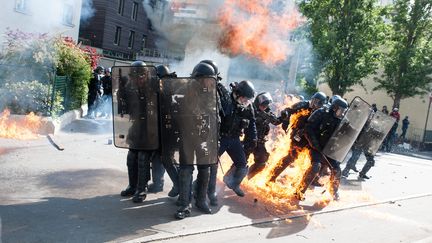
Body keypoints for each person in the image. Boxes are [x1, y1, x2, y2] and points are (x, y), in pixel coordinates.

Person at [175, 62, 218, 219]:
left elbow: (216, 114)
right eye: (207, 79)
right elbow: (174, 109)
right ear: (199, 78)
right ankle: (184, 204)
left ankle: (201, 200)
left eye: (211, 79)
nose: (209, 82)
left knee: (205, 169)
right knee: (186, 170)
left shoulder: (212, 93)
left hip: (205, 136)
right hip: (187, 135)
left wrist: (214, 134)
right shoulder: (184, 90)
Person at [118, 61, 158, 203]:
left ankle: (142, 189)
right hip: (136, 126)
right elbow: (124, 109)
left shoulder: (155, 85)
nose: (137, 80)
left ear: (146, 75)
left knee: (143, 158)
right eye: (134, 77)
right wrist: (120, 91)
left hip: (151, 127)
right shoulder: (130, 87)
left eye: (139, 77)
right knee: (131, 157)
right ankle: (132, 185)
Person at [267, 91, 327, 183]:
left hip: (310, 139)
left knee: (314, 163)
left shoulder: (322, 112)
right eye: (314, 101)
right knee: (290, 157)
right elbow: (287, 110)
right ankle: (272, 177)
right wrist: (286, 120)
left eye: (318, 102)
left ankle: (303, 185)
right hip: (297, 136)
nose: (315, 104)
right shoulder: (303, 105)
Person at [212, 79, 257, 200]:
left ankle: (233, 183)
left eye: (247, 99)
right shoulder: (225, 100)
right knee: (210, 165)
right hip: (221, 138)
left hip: (234, 139)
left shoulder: (247, 106)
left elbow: (252, 122)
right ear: (237, 94)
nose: (245, 102)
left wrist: (253, 138)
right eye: (244, 98)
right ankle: (197, 189)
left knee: (242, 165)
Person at [300, 96, 349, 201]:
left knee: (336, 170)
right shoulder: (321, 113)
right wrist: (315, 144)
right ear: (335, 108)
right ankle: (300, 190)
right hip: (315, 147)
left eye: (344, 111)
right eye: (341, 110)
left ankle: (334, 192)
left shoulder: (340, 120)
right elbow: (308, 129)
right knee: (315, 167)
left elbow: (346, 134)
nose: (342, 113)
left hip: (329, 149)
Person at [147, 64, 179, 198]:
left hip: (169, 132)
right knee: (156, 158)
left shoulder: (171, 90)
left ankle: (179, 185)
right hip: (158, 130)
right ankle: (158, 184)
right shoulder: (157, 89)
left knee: (168, 159)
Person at [245, 92, 281, 179]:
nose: (264, 107)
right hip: (250, 140)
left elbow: (276, 122)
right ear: (258, 103)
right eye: (263, 105)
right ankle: (228, 179)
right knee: (241, 163)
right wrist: (260, 118)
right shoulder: (251, 109)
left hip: (260, 142)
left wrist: (283, 117)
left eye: (266, 105)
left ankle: (246, 178)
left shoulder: (267, 112)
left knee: (262, 162)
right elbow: (247, 121)